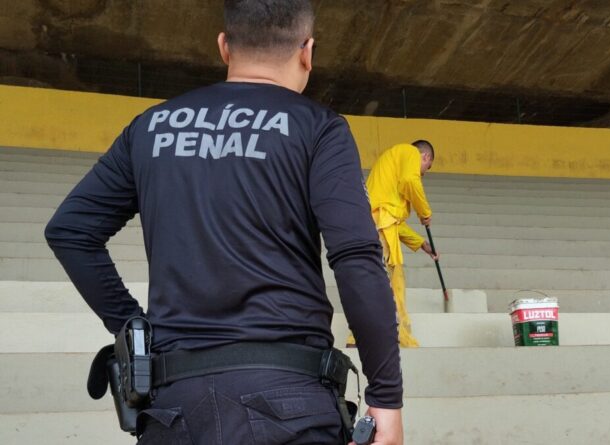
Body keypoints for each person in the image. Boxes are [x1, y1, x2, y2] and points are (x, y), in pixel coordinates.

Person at [44, 1, 403, 444]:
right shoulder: (319, 128)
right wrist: (385, 398)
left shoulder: (150, 127)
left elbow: (70, 230)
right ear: (307, 51)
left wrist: (133, 327)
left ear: (223, 46)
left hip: (173, 409)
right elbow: (356, 258)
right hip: (289, 405)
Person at [347, 141, 438, 348]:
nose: (423, 173)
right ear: (425, 157)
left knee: (392, 283)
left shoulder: (391, 171)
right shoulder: (410, 152)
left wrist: (421, 243)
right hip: (377, 229)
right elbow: (410, 180)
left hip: (378, 227)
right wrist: (425, 212)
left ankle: (391, 336)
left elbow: (393, 220)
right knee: (377, 284)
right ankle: (359, 338)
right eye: (427, 168)